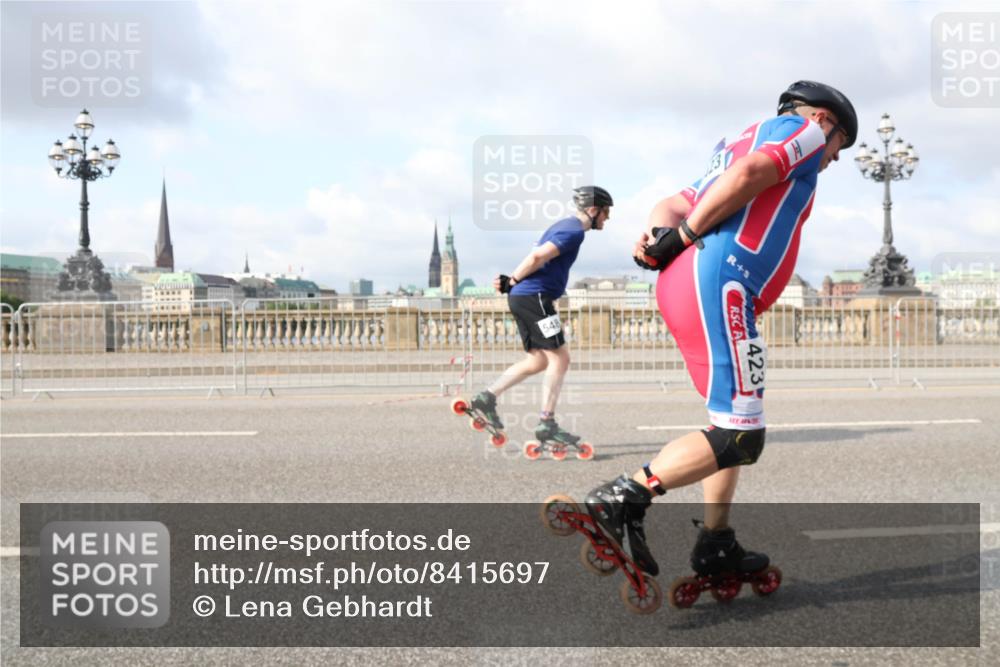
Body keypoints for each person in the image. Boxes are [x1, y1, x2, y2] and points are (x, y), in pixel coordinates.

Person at [585, 81, 857, 578]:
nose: (835, 157)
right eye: (842, 142)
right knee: (740, 438)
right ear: (823, 120)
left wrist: (656, 237)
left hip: (698, 285)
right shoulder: (806, 133)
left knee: (732, 424)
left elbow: (672, 202)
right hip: (723, 283)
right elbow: (753, 174)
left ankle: (716, 541)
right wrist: (685, 236)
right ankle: (623, 498)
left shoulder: (733, 145)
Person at [469, 186, 613, 446]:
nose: (607, 218)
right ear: (593, 210)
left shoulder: (565, 226)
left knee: (537, 361)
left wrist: (511, 283)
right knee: (560, 357)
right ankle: (547, 423)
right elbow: (537, 256)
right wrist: (512, 280)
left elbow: (535, 257)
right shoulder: (574, 231)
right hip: (535, 297)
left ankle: (486, 397)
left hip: (526, 297)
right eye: (605, 212)